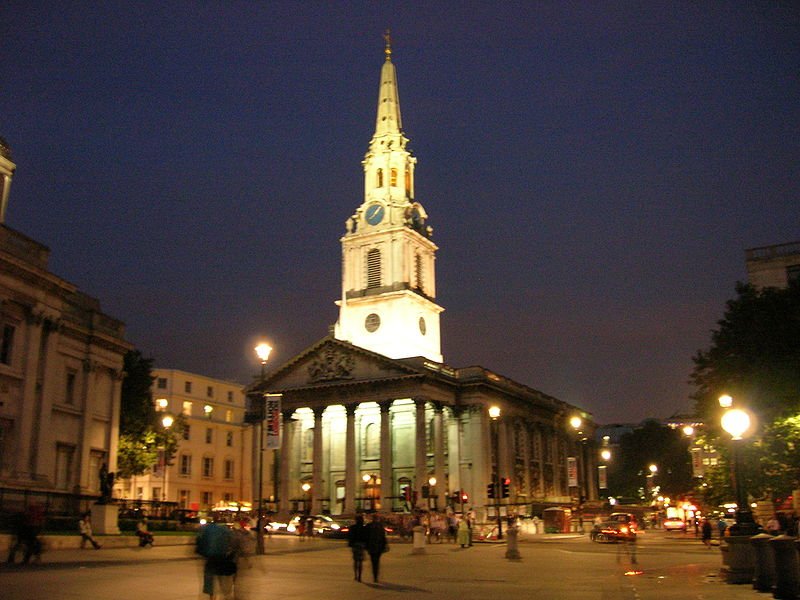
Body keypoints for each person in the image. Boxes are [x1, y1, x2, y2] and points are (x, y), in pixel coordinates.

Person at [196, 516, 237, 600]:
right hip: (222, 557)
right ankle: (225, 594)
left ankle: (211, 595)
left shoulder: (207, 529)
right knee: (222, 577)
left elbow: (200, 540)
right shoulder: (226, 530)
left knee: (209, 576)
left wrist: (202, 552)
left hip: (210, 557)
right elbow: (232, 542)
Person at [365, 513, 388, 583]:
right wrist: (385, 545)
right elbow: (383, 537)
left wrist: (366, 546)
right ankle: (376, 575)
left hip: (371, 546)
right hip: (379, 546)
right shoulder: (380, 526)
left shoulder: (369, 526)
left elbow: (366, 536)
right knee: (377, 561)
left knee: (373, 561)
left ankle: (375, 575)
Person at [347, 513, 368, 582]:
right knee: (360, 561)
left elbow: (350, 537)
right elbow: (366, 537)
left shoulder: (353, 527)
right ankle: (359, 576)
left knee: (355, 561)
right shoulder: (364, 528)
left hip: (355, 545)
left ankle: (356, 575)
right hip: (361, 545)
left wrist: (350, 544)